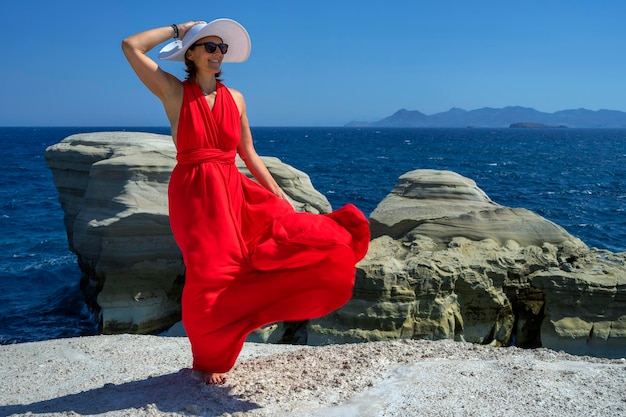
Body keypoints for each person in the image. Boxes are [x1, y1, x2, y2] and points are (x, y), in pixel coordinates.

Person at [121, 18, 370, 385]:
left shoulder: (235, 99)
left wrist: (279, 195)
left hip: (233, 189)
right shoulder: (174, 92)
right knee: (208, 275)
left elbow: (250, 155)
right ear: (190, 54)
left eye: (222, 48)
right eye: (210, 46)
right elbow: (131, 46)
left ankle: (243, 327)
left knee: (287, 239)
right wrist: (177, 29)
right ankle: (206, 360)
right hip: (194, 194)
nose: (218, 53)